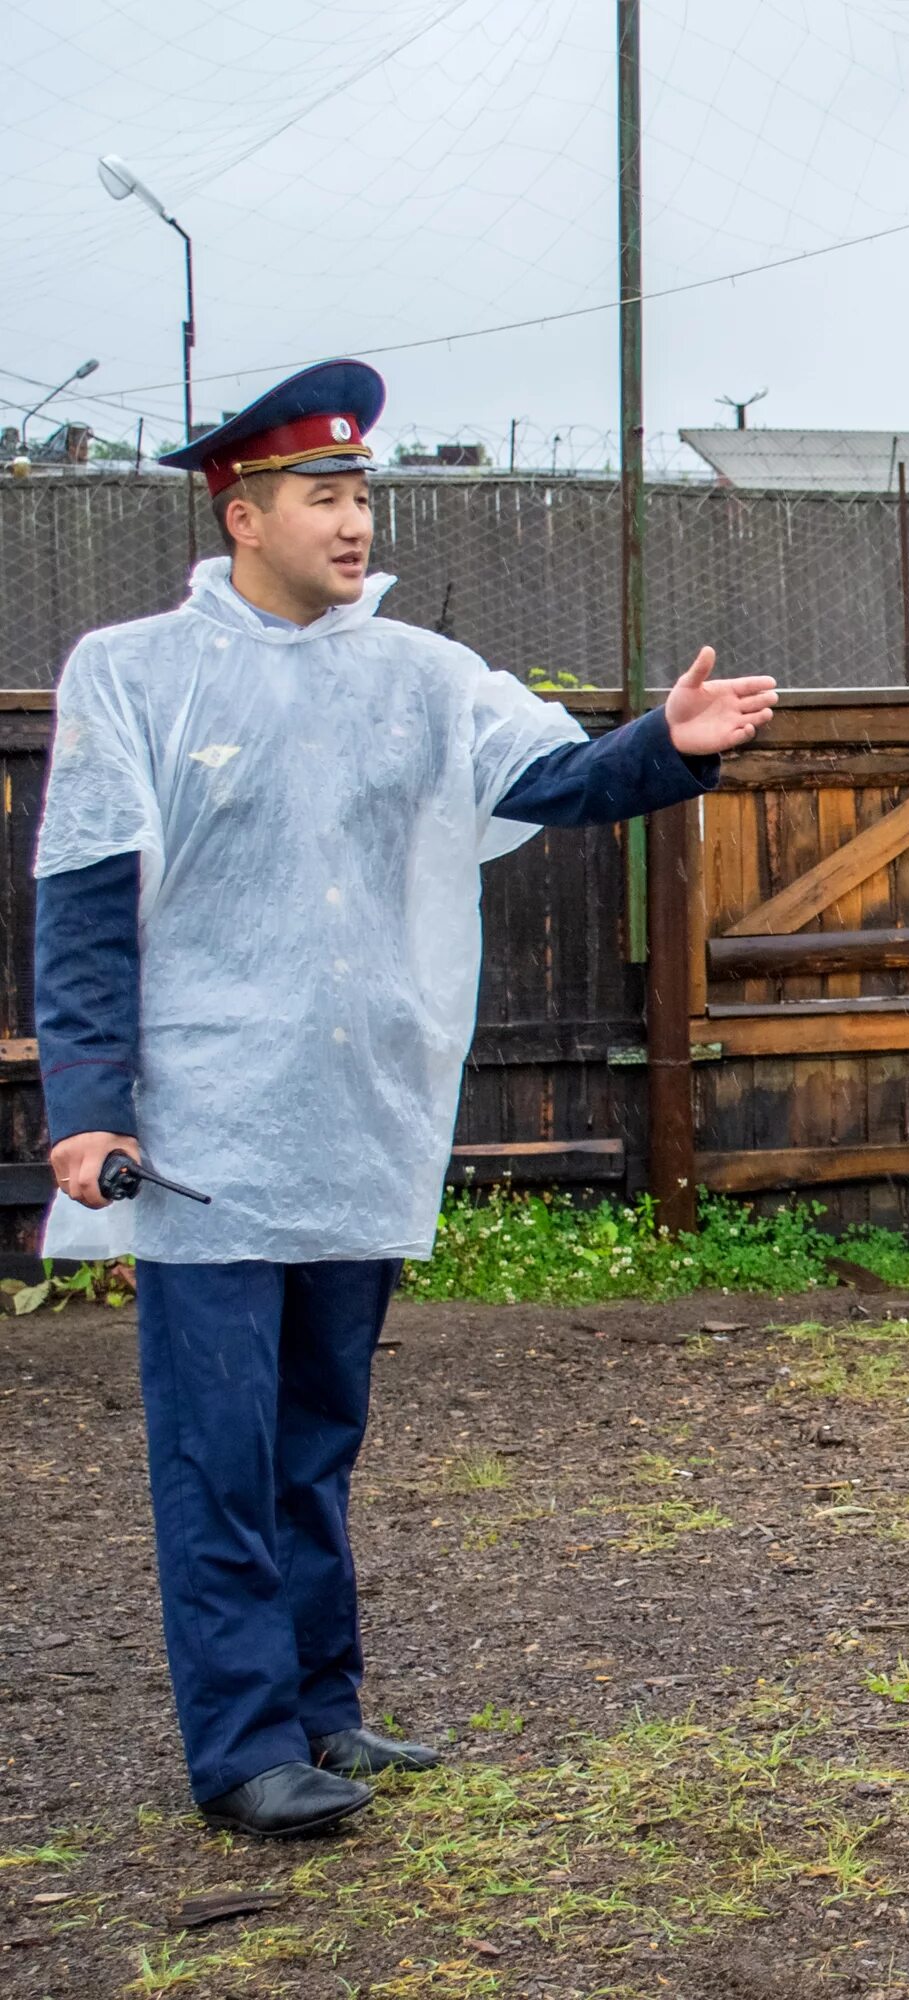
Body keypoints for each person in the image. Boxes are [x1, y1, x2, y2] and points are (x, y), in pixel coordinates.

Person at [32, 361, 780, 1839]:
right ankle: (244, 1748)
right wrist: (88, 1104)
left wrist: (664, 751)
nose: (356, 520)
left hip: (359, 1125)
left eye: (364, 493)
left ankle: (324, 1711)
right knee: (221, 1453)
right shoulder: (133, 674)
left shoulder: (422, 672)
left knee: (317, 1438)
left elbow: (552, 779)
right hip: (206, 1138)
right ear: (244, 515)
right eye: (324, 496)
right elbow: (82, 901)